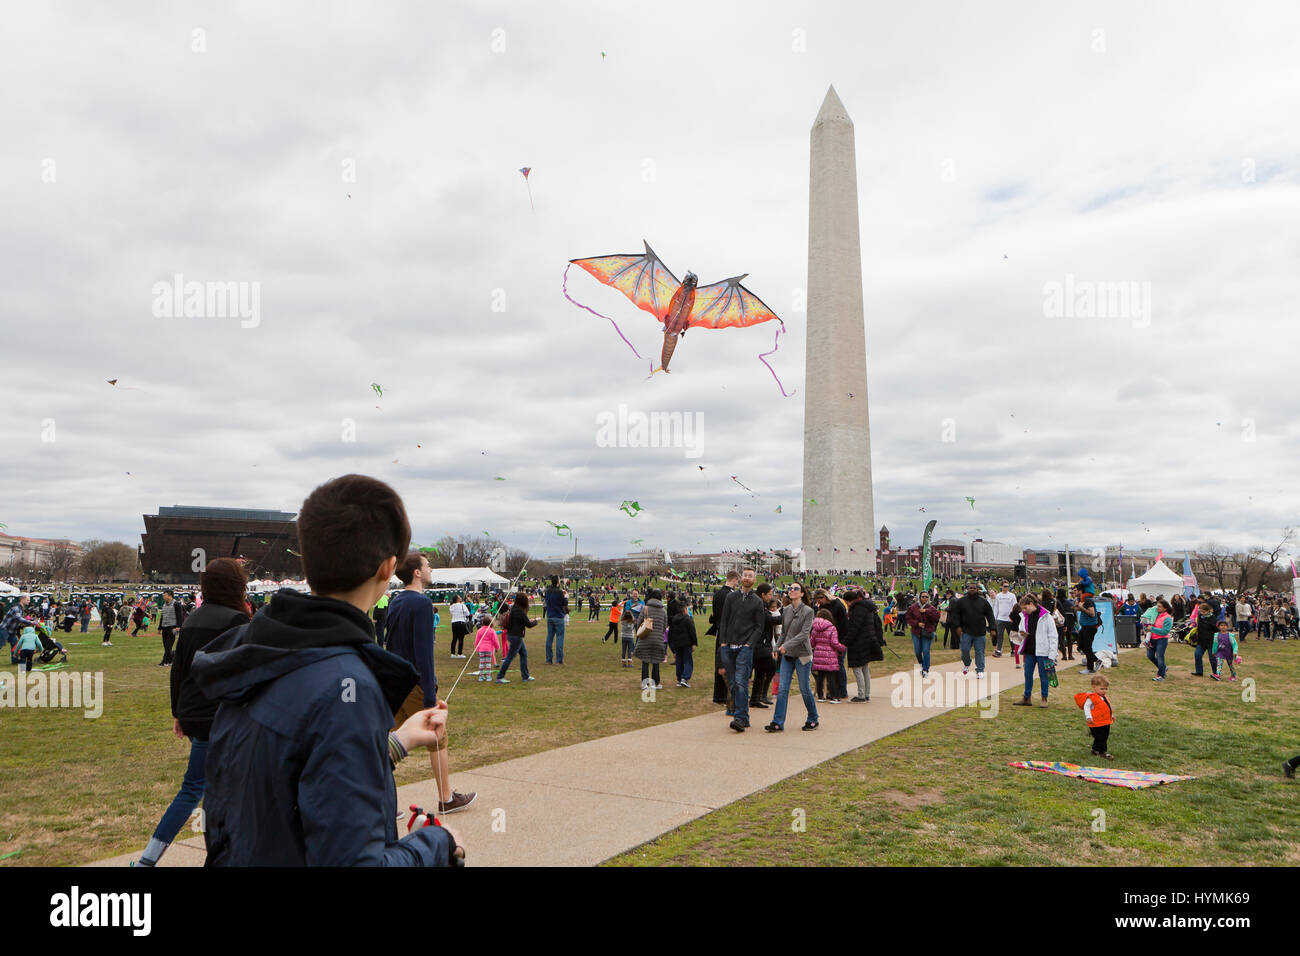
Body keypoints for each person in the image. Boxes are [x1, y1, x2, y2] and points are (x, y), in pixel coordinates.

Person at [190, 474, 465, 865]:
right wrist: (435, 844)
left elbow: (290, 782)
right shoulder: (345, 687)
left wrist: (393, 745)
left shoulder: (261, 653)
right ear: (388, 569)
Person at [136, 559, 251, 867]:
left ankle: (155, 858)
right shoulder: (237, 620)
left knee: (209, 790)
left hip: (196, 714)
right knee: (204, 790)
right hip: (222, 716)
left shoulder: (194, 618)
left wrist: (179, 712)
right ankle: (150, 860)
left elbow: (179, 671)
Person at [386, 552, 476, 814]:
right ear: (416, 572)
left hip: (393, 682)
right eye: (427, 565)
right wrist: (428, 694)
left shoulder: (395, 600)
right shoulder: (422, 603)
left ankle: (384, 806)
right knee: (438, 737)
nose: (431, 569)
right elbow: (424, 652)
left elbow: (388, 643)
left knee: (386, 740)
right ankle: (446, 798)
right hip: (413, 682)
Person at [766, 583, 818, 732]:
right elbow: (784, 632)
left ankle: (813, 718)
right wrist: (776, 647)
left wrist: (786, 646)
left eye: (796, 589)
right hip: (787, 655)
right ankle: (777, 722)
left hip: (802, 655)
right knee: (782, 689)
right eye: (790, 588)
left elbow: (804, 634)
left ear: (802, 594)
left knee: (804, 688)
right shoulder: (786, 610)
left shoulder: (808, 611)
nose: (792, 590)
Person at [718, 568, 764, 732]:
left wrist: (748, 645)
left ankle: (739, 718)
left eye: (750, 576)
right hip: (729, 646)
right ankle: (744, 717)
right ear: (741, 578)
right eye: (744, 575)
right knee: (734, 684)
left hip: (744, 648)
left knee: (740, 682)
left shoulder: (757, 601)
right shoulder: (731, 597)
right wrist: (723, 642)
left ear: (754, 579)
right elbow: (724, 621)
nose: (746, 578)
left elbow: (759, 627)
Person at [1010, 593, 1057, 707]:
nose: (1024, 611)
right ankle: (1027, 697)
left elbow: (1053, 636)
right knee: (1027, 674)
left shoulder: (1047, 617)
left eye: (1025, 608)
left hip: (1043, 651)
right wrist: (1022, 634)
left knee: (1044, 675)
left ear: (1031, 604)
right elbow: (1021, 630)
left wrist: (1052, 655)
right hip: (1029, 649)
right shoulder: (1024, 616)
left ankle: (1044, 698)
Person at [948, 581, 995, 678]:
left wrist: (992, 628)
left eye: (974, 588)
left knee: (980, 651)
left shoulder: (983, 602)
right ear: (967, 589)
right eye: (970, 588)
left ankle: (980, 670)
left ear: (977, 589)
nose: (972, 589)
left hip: (980, 632)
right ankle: (967, 663)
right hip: (966, 631)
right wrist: (957, 627)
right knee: (964, 650)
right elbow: (955, 615)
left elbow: (990, 615)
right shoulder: (961, 601)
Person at [708, 572, 739, 705]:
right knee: (729, 663)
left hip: (720, 630)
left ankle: (718, 696)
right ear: (735, 580)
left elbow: (714, 615)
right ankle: (727, 696)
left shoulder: (717, 594)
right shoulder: (731, 595)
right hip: (729, 631)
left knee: (719, 662)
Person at [496, 592, 538, 684]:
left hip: (511, 635)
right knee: (510, 657)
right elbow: (529, 625)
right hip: (516, 636)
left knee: (523, 654)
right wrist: (535, 622)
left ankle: (525, 676)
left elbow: (520, 622)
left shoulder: (513, 609)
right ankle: (500, 676)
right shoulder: (520, 612)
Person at [749, 584, 779, 709]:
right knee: (771, 666)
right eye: (769, 594)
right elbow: (768, 620)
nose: (771, 596)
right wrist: (786, 618)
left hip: (761, 643)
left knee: (760, 671)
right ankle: (760, 695)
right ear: (763, 595)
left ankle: (756, 698)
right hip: (758, 643)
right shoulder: (758, 605)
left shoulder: (761, 605)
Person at [1073, 674, 1114, 759]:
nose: (1104, 691)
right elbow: (1086, 707)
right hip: (1095, 722)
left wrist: (1111, 715)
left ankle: (1095, 749)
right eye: (1102, 689)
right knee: (1101, 737)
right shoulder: (1092, 698)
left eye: (1106, 689)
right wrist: (1088, 717)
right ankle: (1103, 752)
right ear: (1094, 687)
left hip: (1105, 721)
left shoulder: (1104, 697)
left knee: (1105, 736)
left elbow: (1107, 707)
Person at [634, 588, 668, 690]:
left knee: (645, 661)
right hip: (658, 639)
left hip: (645, 638)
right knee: (656, 661)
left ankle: (645, 683)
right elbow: (664, 626)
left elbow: (638, 623)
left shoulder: (645, 608)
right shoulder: (663, 611)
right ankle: (656, 683)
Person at [811, 609, 846, 702]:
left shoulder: (815, 628)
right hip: (830, 655)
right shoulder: (832, 628)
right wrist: (842, 648)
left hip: (818, 654)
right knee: (831, 677)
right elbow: (834, 643)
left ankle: (820, 696)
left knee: (820, 677)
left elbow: (812, 643)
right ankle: (834, 696)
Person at [905, 589, 940, 678]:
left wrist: (926, 611)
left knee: (925, 650)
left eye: (926, 597)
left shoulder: (931, 608)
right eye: (923, 596)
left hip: (927, 632)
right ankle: (922, 663)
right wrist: (917, 623)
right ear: (919, 597)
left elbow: (936, 618)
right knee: (917, 651)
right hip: (916, 632)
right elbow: (908, 618)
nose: (924, 598)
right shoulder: (913, 607)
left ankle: (925, 669)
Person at [668, 595, 698, 688]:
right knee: (688, 661)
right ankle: (685, 678)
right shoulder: (688, 619)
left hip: (677, 643)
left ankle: (679, 678)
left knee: (679, 661)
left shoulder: (674, 620)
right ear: (685, 609)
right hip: (686, 643)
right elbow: (692, 632)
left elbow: (672, 632)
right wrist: (694, 643)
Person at [1074, 586, 1102, 674]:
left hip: (1090, 627)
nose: (1074, 592)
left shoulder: (1088, 600)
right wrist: (1077, 607)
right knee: (1081, 646)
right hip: (1084, 627)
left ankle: (1090, 668)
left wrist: (1082, 608)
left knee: (1087, 647)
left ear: (1080, 591)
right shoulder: (1081, 600)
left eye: (1075, 591)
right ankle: (1096, 660)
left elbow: (1092, 614)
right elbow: (1079, 609)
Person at [542, 576, 569, 665]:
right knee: (560, 638)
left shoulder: (548, 591)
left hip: (550, 616)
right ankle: (559, 660)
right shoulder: (559, 592)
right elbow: (564, 603)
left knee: (549, 638)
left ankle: (548, 659)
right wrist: (565, 596)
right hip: (558, 617)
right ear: (557, 582)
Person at [156, 589, 187, 667]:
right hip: (165, 627)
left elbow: (180, 616)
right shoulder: (164, 605)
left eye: (165, 595)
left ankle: (164, 661)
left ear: (170, 596)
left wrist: (178, 627)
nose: (163, 597)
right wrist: (159, 628)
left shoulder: (176, 604)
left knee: (168, 645)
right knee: (166, 646)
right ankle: (170, 660)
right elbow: (162, 617)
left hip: (172, 628)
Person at [1146, 598, 1174, 682]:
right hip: (1152, 639)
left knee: (1160, 657)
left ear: (1165, 608)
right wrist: (1146, 627)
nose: (1157, 608)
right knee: (1150, 656)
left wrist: (1152, 629)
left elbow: (1165, 631)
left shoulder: (1168, 618)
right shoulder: (1154, 614)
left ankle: (1161, 675)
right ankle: (1163, 668)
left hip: (1161, 640)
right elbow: (1148, 624)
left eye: (1159, 607)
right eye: (1157, 606)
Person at [991, 581, 1018, 657]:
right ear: (1001, 587)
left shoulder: (1012, 596)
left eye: (1007, 586)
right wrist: (995, 618)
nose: (1006, 588)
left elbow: (1015, 607)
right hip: (1000, 619)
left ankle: (1013, 650)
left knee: (1011, 635)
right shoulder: (998, 596)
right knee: (1000, 635)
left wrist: (1013, 617)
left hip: (1009, 619)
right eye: (1005, 586)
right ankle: (998, 650)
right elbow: (996, 607)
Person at [474, 615, 502, 682]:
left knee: (482, 662)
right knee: (488, 663)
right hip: (489, 649)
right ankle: (488, 677)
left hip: (481, 649)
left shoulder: (479, 630)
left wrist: (477, 648)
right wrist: (497, 647)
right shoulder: (492, 631)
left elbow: (476, 641)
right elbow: (495, 640)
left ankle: (481, 677)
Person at [620, 589, 643, 667]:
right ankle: (632, 650)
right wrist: (631, 608)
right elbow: (626, 611)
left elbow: (644, 610)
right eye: (634, 594)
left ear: (638, 594)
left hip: (639, 620)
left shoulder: (642, 602)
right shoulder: (629, 602)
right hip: (631, 621)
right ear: (632, 595)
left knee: (639, 635)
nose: (635, 595)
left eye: (636, 594)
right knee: (630, 635)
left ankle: (637, 649)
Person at [448, 594, 470, 659]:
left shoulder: (451, 606)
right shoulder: (462, 605)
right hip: (461, 622)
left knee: (454, 638)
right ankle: (460, 653)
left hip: (454, 622)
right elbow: (467, 613)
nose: (461, 598)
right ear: (457, 599)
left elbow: (451, 613)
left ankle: (453, 653)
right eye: (459, 597)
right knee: (461, 638)